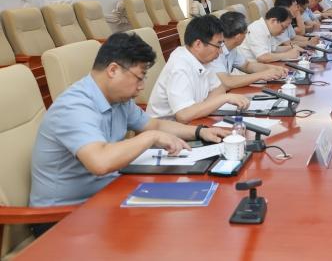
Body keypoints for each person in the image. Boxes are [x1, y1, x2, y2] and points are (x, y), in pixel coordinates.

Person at [30, 32, 229, 215]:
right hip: (65, 215)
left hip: (110, 193)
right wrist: (150, 137)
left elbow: (155, 125)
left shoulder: (118, 99)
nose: (141, 87)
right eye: (139, 78)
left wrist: (200, 131)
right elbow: (100, 161)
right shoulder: (74, 106)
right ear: (113, 70)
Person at [146, 15, 251, 122]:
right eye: (218, 45)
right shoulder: (179, 65)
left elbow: (219, 89)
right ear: (198, 44)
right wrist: (224, 99)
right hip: (165, 128)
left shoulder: (203, 59)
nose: (220, 51)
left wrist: (202, 108)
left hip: (193, 121)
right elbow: (184, 115)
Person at [210, 12, 288, 89]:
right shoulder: (215, 51)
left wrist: (273, 68)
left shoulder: (232, 48)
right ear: (238, 37)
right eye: (246, 33)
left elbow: (247, 66)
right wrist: (262, 75)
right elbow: (227, 82)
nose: (247, 35)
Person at [237, 6, 303, 63]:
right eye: (283, 27)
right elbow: (263, 57)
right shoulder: (257, 29)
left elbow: (273, 49)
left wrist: (291, 47)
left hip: (261, 66)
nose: (283, 31)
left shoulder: (268, 29)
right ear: (273, 21)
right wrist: (288, 55)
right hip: (248, 70)